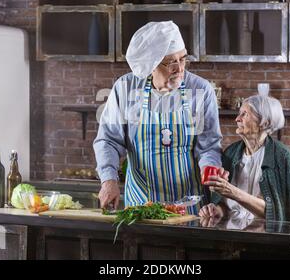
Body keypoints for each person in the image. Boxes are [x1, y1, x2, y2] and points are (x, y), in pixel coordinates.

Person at [93, 21, 223, 214]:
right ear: (150, 64)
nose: (180, 69)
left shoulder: (200, 90)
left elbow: (209, 146)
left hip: (190, 206)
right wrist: (109, 180)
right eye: (171, 62)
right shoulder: (126, 89)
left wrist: (210, 171)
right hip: (141, 204)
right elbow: (108, 140)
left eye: (183, 59)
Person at [199, 95, 290, 222]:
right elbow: (226, 205)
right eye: (239, 114)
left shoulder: (282, 156)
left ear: (264, 122)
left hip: (264, 236)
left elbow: (284, 213)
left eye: (244, 114)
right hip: (231, 233)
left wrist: (232, 192)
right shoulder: (231, 153)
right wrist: (217, 210)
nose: (237, 119)